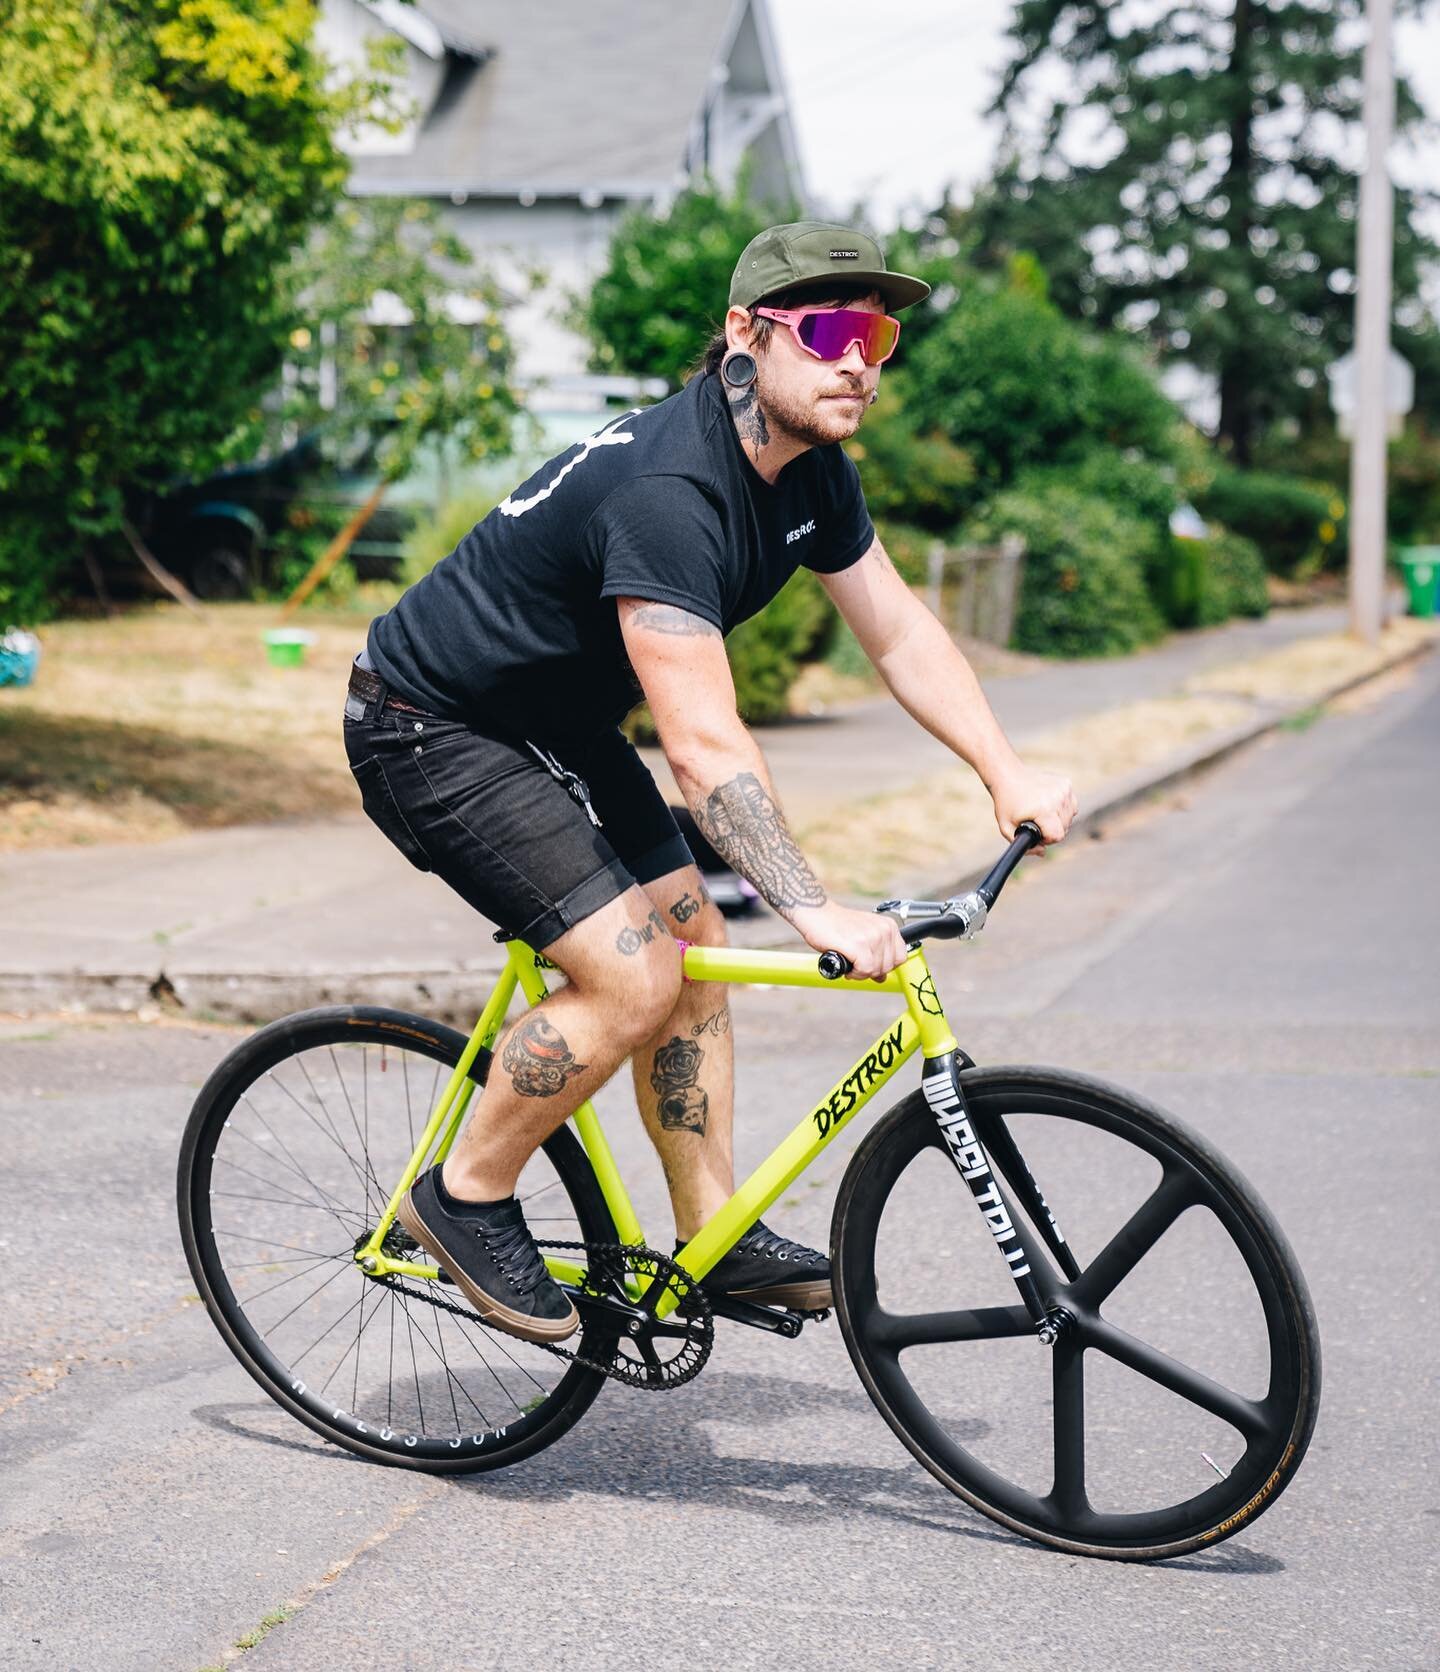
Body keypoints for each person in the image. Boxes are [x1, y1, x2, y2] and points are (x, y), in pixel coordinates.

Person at [343, 221, 1077, 1344]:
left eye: (877, 335)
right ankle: (464, 1196)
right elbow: (702, 745)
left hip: (554, 725)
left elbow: (899, 636)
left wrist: (1004, 770)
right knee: (631, 979)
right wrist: (812, 905)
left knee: (694, 953)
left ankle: (712, 1233)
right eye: (830, 330)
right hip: (429, 725)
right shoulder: (670, 491)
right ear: (745, 335)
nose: (861, 363)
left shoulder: (813, 474)